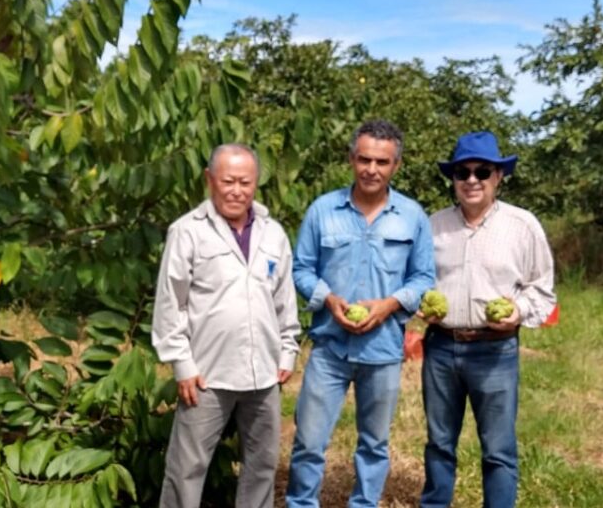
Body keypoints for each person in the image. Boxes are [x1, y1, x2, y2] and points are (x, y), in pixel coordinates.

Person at [286, 120, 436, 508]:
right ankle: (302, 503)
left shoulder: (412, 216)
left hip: (383, 349)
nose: (372, 169)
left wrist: (389, 305)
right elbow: (301, 268)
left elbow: (423, 277)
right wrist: (328, 299)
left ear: (396, 166)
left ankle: (364, 504)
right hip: (330, 348)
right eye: (364, 159)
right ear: (351, 159)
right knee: (308, 441)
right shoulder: (323, 210)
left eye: (382, 162)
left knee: (374, 443)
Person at [151, 143, 301, 508]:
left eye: (245, 182)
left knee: (262, 464)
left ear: (256, 183)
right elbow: (171, 302)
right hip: (206, 375)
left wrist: (288, 349)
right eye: (228, 181)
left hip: (264, 373)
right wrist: (181, 364)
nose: (237, 190)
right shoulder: (187, 232)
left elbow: (284, 299)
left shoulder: (273, 234)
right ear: (209, 180)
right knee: (186, 467)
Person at [418, 131, 556, 508]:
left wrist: (519, 312)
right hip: (442, 347)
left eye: (482, 171)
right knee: (439, 443)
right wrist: (420, 303)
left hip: (494, 350)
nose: (472, 180)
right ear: (453, 179)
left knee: (497, 449)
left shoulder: (522, 225)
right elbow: (416, 281)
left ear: (498, 176)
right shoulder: (433, 226)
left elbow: (542, 288)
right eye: (463, 172)